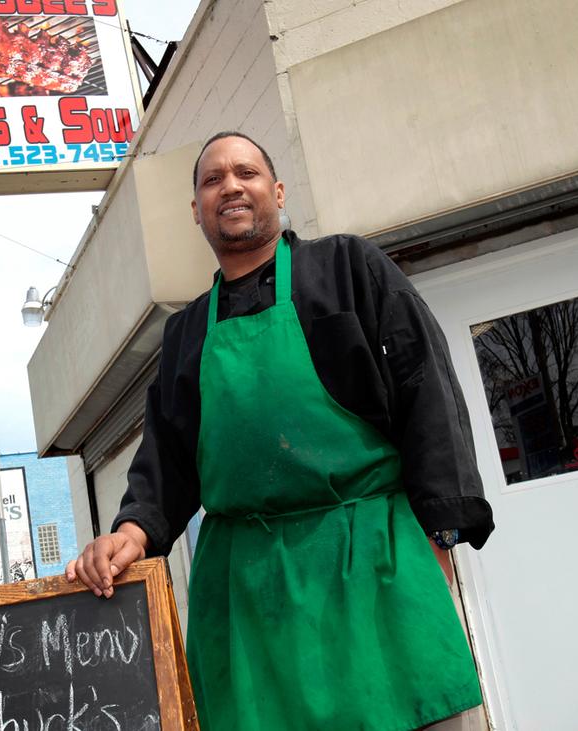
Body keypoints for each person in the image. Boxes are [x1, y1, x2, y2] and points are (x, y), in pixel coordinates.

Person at [66, 132, 495, 730]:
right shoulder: (185, 332)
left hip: (373, 557)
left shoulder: (348, 267)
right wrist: (131, 534)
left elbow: (426, 388)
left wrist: (439, 532)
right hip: (247, 593)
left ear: (278, 190)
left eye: (246, 172)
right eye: (212, 179)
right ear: (196, 211)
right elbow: (167, 458)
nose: (230, 186)